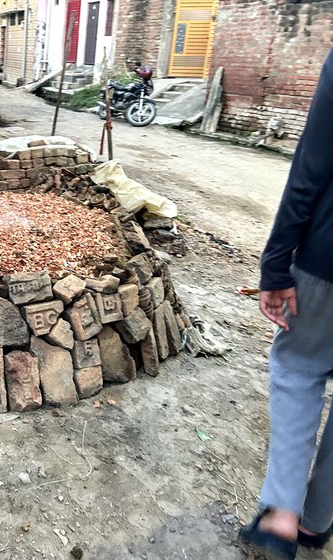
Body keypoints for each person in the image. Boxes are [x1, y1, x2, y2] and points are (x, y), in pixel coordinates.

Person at [238, 48, 333, 560]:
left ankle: (282, 518)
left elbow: (311, 168)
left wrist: (276, 265)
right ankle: (318, 522)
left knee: (299, 372)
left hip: (327, 262)